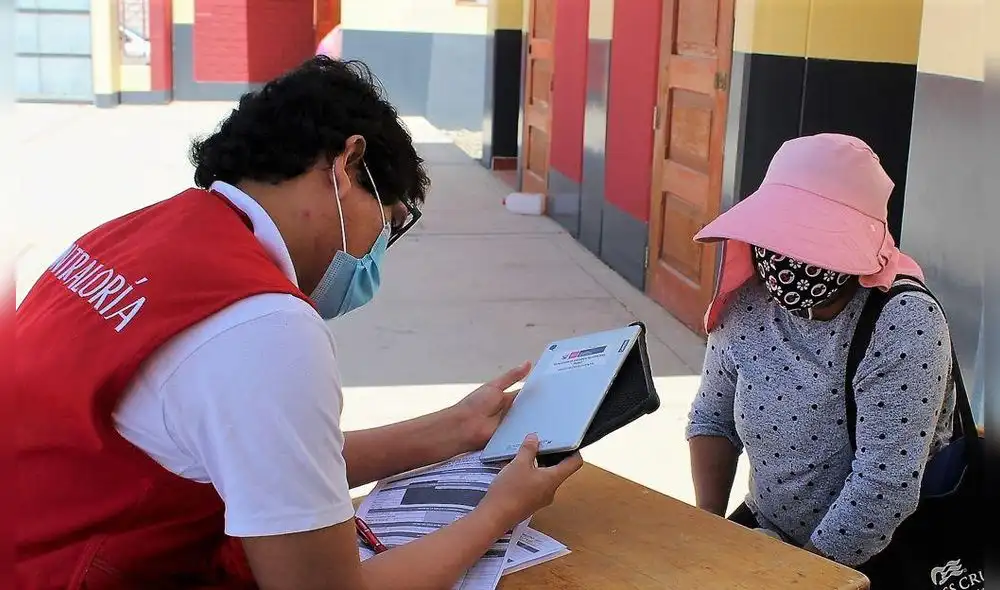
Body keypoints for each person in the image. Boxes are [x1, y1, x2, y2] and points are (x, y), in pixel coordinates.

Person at [15, 56, 582, 590]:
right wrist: (500, 512)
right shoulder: (264, 325)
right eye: (387, 224)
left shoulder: (130, 236)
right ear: (347, 164)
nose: (374, 254)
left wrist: (456, 428)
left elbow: (269, 463)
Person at [685, 134, 957, 572]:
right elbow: (712, 419)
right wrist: (710, 531)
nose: (786, 257)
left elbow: (883, 486)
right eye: (778, 232)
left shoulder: (904, 323)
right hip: (770, 530)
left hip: (870, 556)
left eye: (810, 238)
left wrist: (801, 577)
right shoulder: (748, 302)